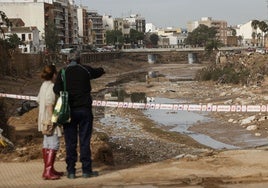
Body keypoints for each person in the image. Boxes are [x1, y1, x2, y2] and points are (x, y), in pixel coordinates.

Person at [53, 52, 105, 179]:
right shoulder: (85, 70)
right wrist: (103, 69)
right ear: (79, 60)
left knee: (70, 142)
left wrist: (66, 93)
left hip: (69, 112)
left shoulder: (63, 72)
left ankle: (71, 171)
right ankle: (87, 170)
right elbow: (97, 72)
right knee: (84, 141)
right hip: (85, 110)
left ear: (67, 60)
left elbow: (56, 89)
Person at [37, 65, 63, 180]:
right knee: (53, 143)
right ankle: (48, 171)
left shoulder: (43, 85)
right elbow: (49, 104)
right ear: (53, 75)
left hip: (42, 118)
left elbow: (38, 100)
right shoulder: (52, 87)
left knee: (46, 143)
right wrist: (54, 119)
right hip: (49, 118)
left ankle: (49, 169)